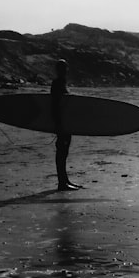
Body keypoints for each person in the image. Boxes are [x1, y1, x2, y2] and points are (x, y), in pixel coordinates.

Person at [51, 59, 82, 191]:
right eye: (63, 69)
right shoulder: (57, 83)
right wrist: (59, 125)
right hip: (62, 125)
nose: (65, 71)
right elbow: (55, 106)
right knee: (61, 153)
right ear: (59, 70)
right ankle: (62, 183)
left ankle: (65, 180)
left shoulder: (62, 83)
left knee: (64, 153)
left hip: (65, 124)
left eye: (66, 69)